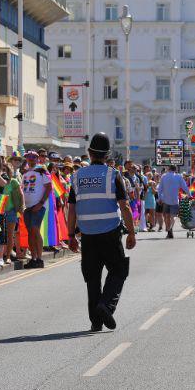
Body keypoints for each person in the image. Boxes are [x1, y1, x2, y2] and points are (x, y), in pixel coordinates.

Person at [67, 133, 136, 331]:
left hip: (87, 236)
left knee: (92, 278)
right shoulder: (113, 175)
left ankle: (96, 322)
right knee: (118, 270)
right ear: (107, 155)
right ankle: (105, 305)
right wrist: (131, 233)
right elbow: (125, 207)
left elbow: (71, 209)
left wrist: (71, 235)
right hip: (110, 232)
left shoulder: (77, 176)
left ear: (89, 153)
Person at [20, 151, 52, 268]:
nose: (31, 159)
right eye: (29, 157)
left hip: (39, 206)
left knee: (35, 230)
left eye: (34, 157)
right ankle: (33, 258)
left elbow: (49, 188)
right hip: (27, 207)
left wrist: (41, 203)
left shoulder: (42, 171)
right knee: (30, 233)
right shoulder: (25, 173)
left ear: (37, 158)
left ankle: (39, 258)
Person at [157, 166, 189, 239]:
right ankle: (171, 228)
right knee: (173, 216)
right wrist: (189, 194)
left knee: (167, 216)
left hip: (166, 199)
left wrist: (159, 198)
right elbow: (184, 186)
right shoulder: (179, 177)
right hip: (175, 199)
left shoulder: (164, 176)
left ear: (168, 169)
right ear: (176, 170)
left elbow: (160, 188)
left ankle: (169, 230)